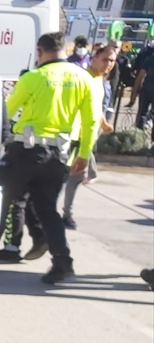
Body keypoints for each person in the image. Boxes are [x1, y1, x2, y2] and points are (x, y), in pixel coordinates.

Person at [0, 32, 96, 285]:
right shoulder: (84, 78)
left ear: (40, 52)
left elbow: (6, 111)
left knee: (2, 203)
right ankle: (62, 263)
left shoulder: (33, 77)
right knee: (48, 211)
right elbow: (91, 122)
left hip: (25, 151)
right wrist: (83, 155)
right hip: (58, 156)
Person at [63, 42, 118, 230]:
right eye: (105, 59)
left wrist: (104, 123)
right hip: (73, 137)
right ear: (93, 58)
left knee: (76, 177)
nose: (108, 64)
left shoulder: (100, 80)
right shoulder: (83, 78)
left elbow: (96, 107)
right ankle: (50, 212)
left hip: (86, 138)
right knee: (63, 176)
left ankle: (65, 214)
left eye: (112, 61)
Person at [129, 38, 154, 131]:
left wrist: (134, 93)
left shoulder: (150, 58)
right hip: (147, 90)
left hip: (146, 89)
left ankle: (139, 135)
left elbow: (140, 76)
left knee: (142, 115)